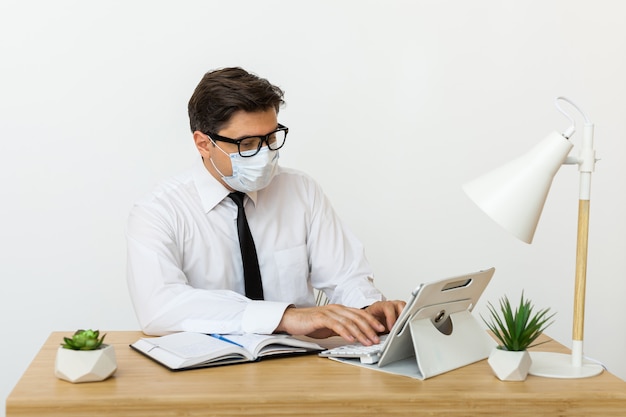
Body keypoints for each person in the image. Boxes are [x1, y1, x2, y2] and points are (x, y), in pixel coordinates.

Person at [126, 67, 405, 346]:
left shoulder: (301, 191)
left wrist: (367, 309)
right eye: (247, 144)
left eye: (271, 138)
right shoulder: (158, 211)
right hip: (207, 371)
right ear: (203, 144)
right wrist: (284, 317)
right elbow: (159, 306)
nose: (265, 154)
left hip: (300, 364)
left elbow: (344, 276)